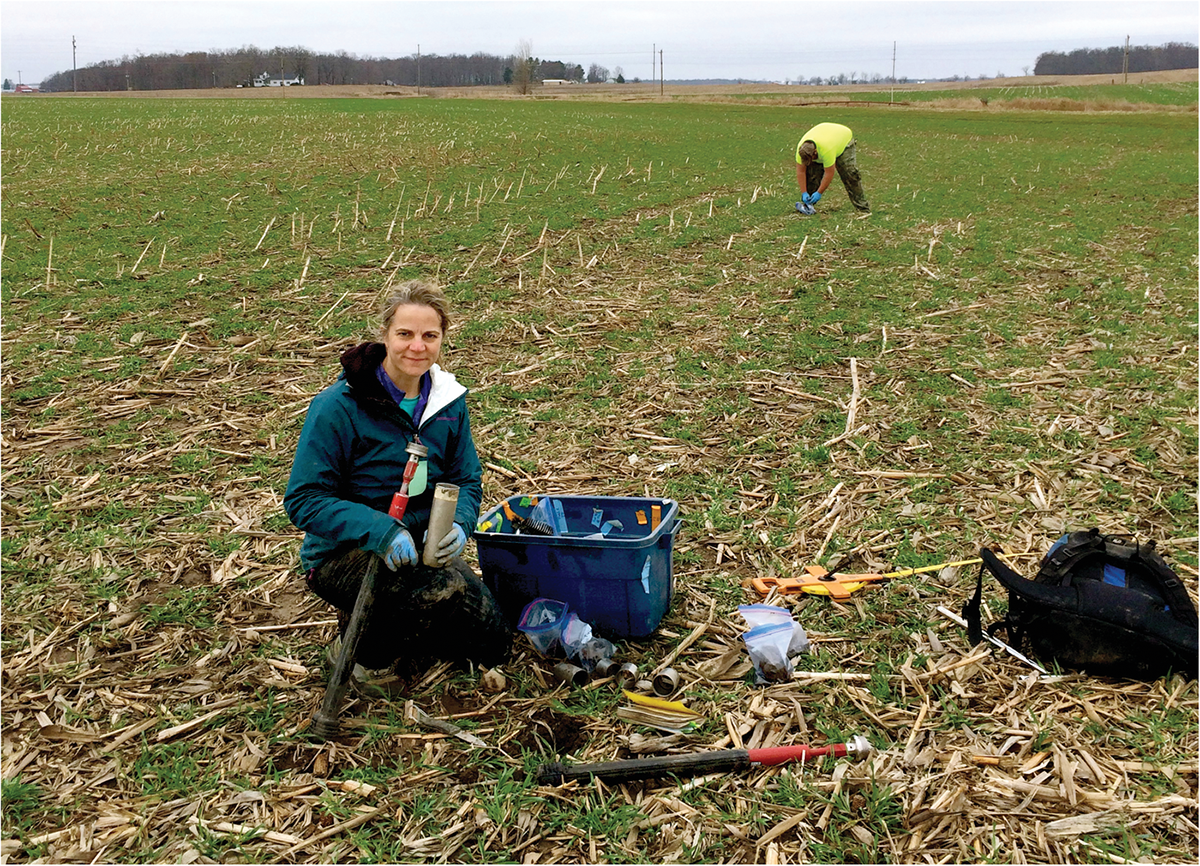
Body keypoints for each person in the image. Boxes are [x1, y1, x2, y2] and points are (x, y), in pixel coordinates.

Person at [284, 280, 510, 691]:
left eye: (430, 336)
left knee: (491, 642)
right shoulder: (338, 406)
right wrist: (381, 531)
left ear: (443, 339)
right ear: (385, 334)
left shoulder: (448, 403)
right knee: (437, 588)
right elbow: (304, 499)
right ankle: (360, 657)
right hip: (345, 552)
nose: (417, 347)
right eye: (404, 334)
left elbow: (465, 478)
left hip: (422, 546)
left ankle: (394, 617)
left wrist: (460, 523)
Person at [795, 122, 871, 214]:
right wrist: (804, 192)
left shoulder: (826, 150)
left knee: (850, 175)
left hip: (843, 139)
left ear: (815, 153)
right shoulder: (802, 150)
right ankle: (808, 205)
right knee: (811, 174)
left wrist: (819, 192)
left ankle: (863, 208)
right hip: (825, 133)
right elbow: (801, 172)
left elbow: (829, 173)